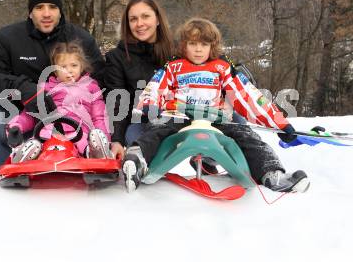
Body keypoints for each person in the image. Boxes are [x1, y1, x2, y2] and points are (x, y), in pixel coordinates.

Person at [122, 17, 310, 193]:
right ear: (183, 46)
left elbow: (247, 95)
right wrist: (148, 106)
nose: (198, 49)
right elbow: (155, 87)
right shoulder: (174, 66)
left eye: (204, 44)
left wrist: (280, 123)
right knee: (157, 130)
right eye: (193, 44)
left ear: (212, 46)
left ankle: (271, 172)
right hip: (179, 116)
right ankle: (137, 160)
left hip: (215, 117)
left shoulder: (222, 67)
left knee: (246, 135)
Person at [0, 0, 105, 170]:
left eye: (52, 7)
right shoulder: (7, 38)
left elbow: (102, 84)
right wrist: (23, 89)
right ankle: (9, 165)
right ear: (30, 12)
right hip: (21, 119)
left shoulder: (81, 39)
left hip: (72, 124)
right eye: (39, 7)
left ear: (60, 11)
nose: (46, 13)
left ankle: (89, 156)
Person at [6, 41, 112, 161]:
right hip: (49, 132)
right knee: (37, 143)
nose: (69, 71)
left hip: (79, 133)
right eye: (63, 67)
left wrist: (104, 137)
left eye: (74, 65)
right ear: (55, 71)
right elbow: (29, 114)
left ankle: (94, 153)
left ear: (81, 67)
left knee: (84, 144)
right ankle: (24, 156)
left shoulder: (91, 87)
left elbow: (99, 117)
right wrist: (16, 126)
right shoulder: (45, 89)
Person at [104, 0, 176, 159]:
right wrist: (116, 140)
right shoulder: (117, 57)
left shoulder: (177, 52)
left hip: (179, 119)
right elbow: (117, 102)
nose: (139, 24)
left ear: (157, 19)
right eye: (133, 19)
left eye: (145, 16)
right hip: (142, 124)